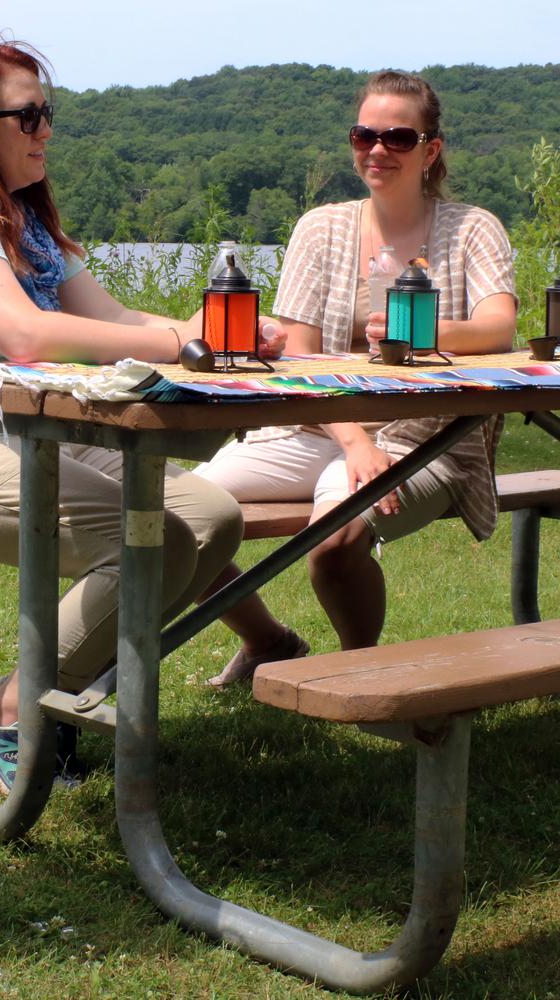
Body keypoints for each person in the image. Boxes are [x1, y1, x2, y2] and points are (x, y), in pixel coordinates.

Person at [0, 37, 279, 794]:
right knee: (149, 544)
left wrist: (210, 332)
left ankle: (56, 697)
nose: (46, 128)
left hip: (27, 437)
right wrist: (174, 343)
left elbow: (108, 315)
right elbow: (25, 335)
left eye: (48, 111)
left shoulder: (21, 222)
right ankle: (12, 715)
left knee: (211, 517)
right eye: (28, 115)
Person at [194, 70, 517, 686]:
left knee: (337, 542)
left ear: (432, 148)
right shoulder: (322, 227)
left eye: (398, 136)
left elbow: (497, 327)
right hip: (316, 424)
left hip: (424, 433)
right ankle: (267, 639)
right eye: (364, 134)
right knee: (170, 513)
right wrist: (352, 438)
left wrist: (410, 331)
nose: (378, 149)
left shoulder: (473, 227)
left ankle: (356, 673)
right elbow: (297, 360)